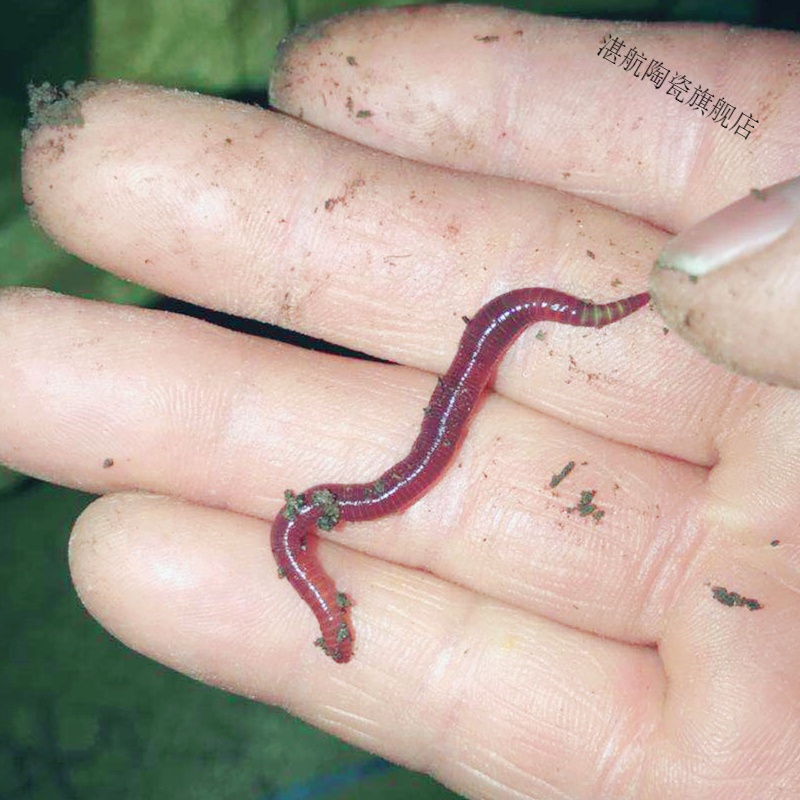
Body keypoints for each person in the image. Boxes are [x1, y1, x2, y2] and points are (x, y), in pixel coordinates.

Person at [6, 6, 799, 799]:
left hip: (486, 350)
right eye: (334, 613)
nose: (330, 603)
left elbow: (501, 326)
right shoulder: (313, 518)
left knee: (488, 344)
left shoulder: (322, 512)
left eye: (331, 613)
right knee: (449, 399)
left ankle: (599, 310)